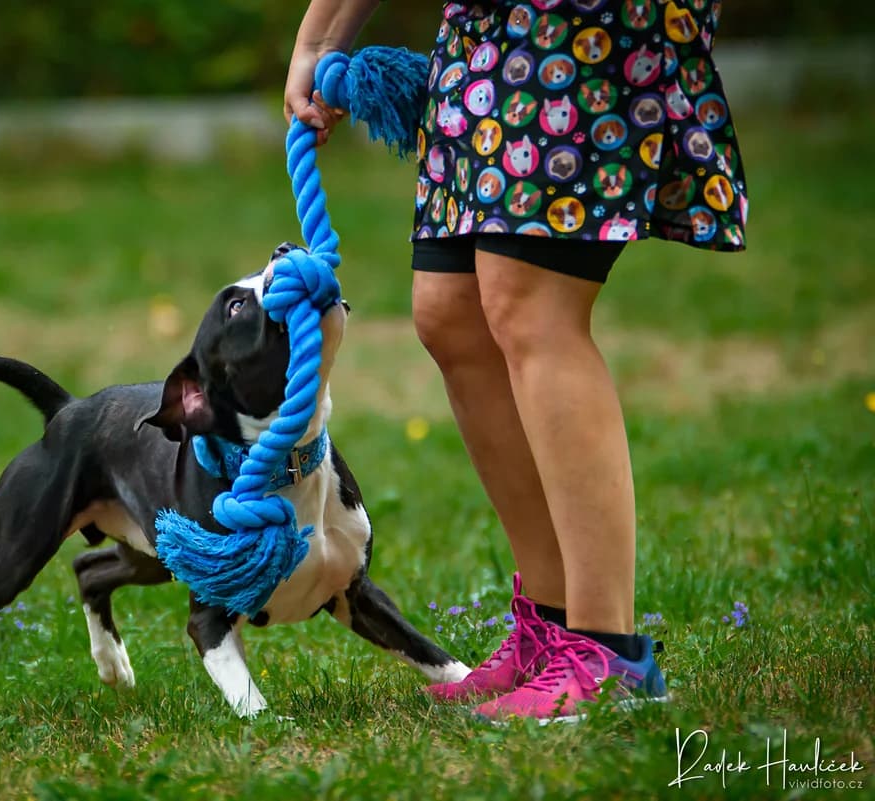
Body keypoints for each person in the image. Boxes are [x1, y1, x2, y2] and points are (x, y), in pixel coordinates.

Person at [284, 0, 747, 723]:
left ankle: (607, 648)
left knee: (531, 301)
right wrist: (319, 37)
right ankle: (553, 623)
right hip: (484, 32)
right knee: (452, 311)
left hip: (573, 26)